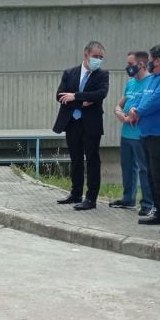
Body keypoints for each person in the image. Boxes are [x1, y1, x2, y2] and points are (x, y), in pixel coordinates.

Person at [128, 45, 160, 235]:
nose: (148, 62)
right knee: (151, 175)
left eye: (150, 59)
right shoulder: (155, 78)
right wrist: (134, 108)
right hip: (147, 132)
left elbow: (158, 100)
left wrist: (138, 112)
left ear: (158, 60)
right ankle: (159, 212)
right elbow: (143, 97)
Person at [53, 41, 110, 210]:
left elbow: (100, 94)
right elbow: (60, 96)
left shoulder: (102, 75)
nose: (98, 60)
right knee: (75, 158)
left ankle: (91, 198)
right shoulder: (70, 73)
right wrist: (81, 102)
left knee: (92, 159)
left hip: (91, 124)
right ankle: (75, 193)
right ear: (86, 55)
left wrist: (75, 96)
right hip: (72, 123)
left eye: (101, 57)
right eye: (95, 56)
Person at [110, 50, 153, 215]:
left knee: (144, 168)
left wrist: (134, 115)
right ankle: (128, 199)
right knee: (127, 167)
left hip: (140, 134)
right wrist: (119, 113)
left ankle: (148, 204)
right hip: (126, 133)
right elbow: (120, 104)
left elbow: (149, 106)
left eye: (130, 64)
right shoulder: (130, 83)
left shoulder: (151, 83)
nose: (127, 67)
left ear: (141, 64)